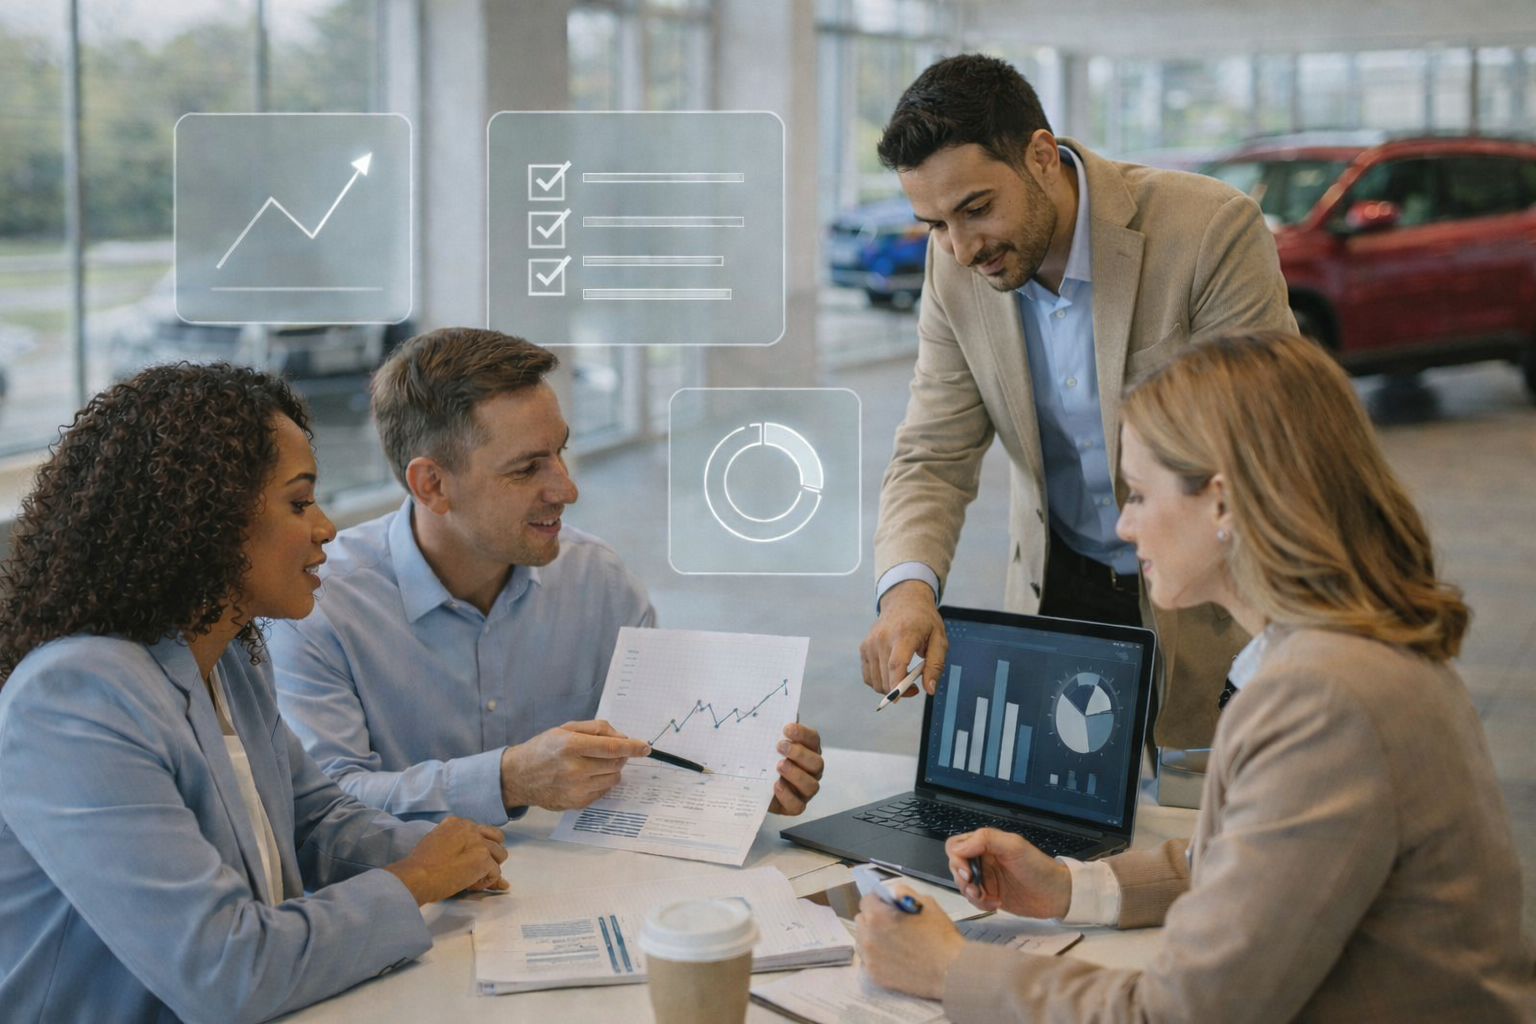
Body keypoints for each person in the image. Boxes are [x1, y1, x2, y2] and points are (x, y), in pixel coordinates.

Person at [856, 331, 1536, 1022]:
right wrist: (1066, 887)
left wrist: (950, 969)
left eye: (1141, 495)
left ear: (1223, 504)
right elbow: (1254, 861)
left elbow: (1183, 1014)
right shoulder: (1342, 648)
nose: (1123, 526)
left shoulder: (1326, 699)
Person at [0, 364, 509, 1024]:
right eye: (299, 504)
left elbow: (313, 822)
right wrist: (415, 881)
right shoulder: (75, 699)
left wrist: (439, 853)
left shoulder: (228, 658)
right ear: (202, 519)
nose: (326, 528)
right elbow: (224, 972)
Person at [859, 54, 1296, 753]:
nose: (962, 249)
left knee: (1205, 829)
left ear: (1040, 156)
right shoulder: (953, 269)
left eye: (976, 209)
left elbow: (1269, 440)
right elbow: (931, 453)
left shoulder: (1209, 230)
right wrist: (907, 589)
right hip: (1060, 594)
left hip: (1210, 593)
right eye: (935, 224)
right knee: (1059, 834)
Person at [269, 327, 824, 825]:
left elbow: (659, 754)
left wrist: (744, 777)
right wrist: (508, 779)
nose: (566, 489)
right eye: (527, 467)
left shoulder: (599, 582)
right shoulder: (318, 609)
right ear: (431, 485)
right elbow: (326, 803)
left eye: (560, 451)